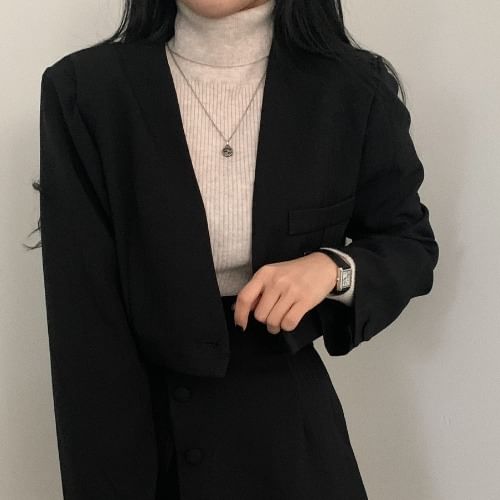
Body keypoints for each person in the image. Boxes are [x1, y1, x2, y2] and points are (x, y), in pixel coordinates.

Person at [33, 0, 439, 498]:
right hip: (138, 436)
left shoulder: (352, 88)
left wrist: (332, 269)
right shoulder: (85, 91)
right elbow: (84, 321)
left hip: (290, 447)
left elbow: (409, 244)